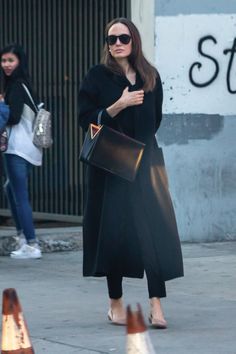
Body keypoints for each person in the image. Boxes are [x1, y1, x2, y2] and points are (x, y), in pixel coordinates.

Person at [78, 18, 184, 328]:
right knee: (113, 234)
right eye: (111, 39)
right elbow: (85, 118)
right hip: (110, 167)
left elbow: (157, 118)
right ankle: (115, 302)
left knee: (150, 233)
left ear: (134, 40)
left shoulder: (150, 77)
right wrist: (118, 105)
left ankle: (156, 305)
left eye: (123, 37)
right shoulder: (97, 77)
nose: (117, 43)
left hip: (145, 164)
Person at [0, 43, 42, 259]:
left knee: (20, 196)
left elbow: (14, 117)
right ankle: (23, 238)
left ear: (19, 62)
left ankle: (32, 244)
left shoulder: (16, 85)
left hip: (17, 148)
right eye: (4, 60)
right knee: (10, 189)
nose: (6, 65)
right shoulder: (22, 84)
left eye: (11, 60)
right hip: (28, 148)